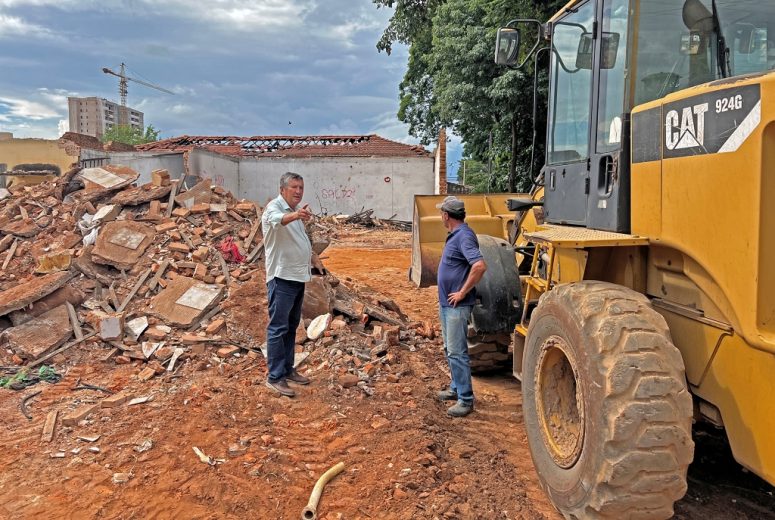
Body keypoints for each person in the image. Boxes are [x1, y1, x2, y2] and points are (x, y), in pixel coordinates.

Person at [262, 172, 324, 397]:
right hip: (281, 278)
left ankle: (287, 369)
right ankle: (275, 376)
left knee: (290, 326)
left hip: (297, 277)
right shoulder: (274, 209)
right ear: (282, 189)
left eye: (301, 187)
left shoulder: (294, 213)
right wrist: (297, 215)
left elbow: (300, 240)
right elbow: (277, 221)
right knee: (278, 328)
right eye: (294, 187)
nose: (298, 191)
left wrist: (313, 257)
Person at [435, 196, 487, 417]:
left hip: (457, 305)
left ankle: (465, 400)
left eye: (441, 213)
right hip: (448, 304)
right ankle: (456, 388)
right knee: (450, 348)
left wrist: (463, 291)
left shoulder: (464, 236)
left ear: (446, 215)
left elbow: (479, 266)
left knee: (457, 352)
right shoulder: (456, 235)